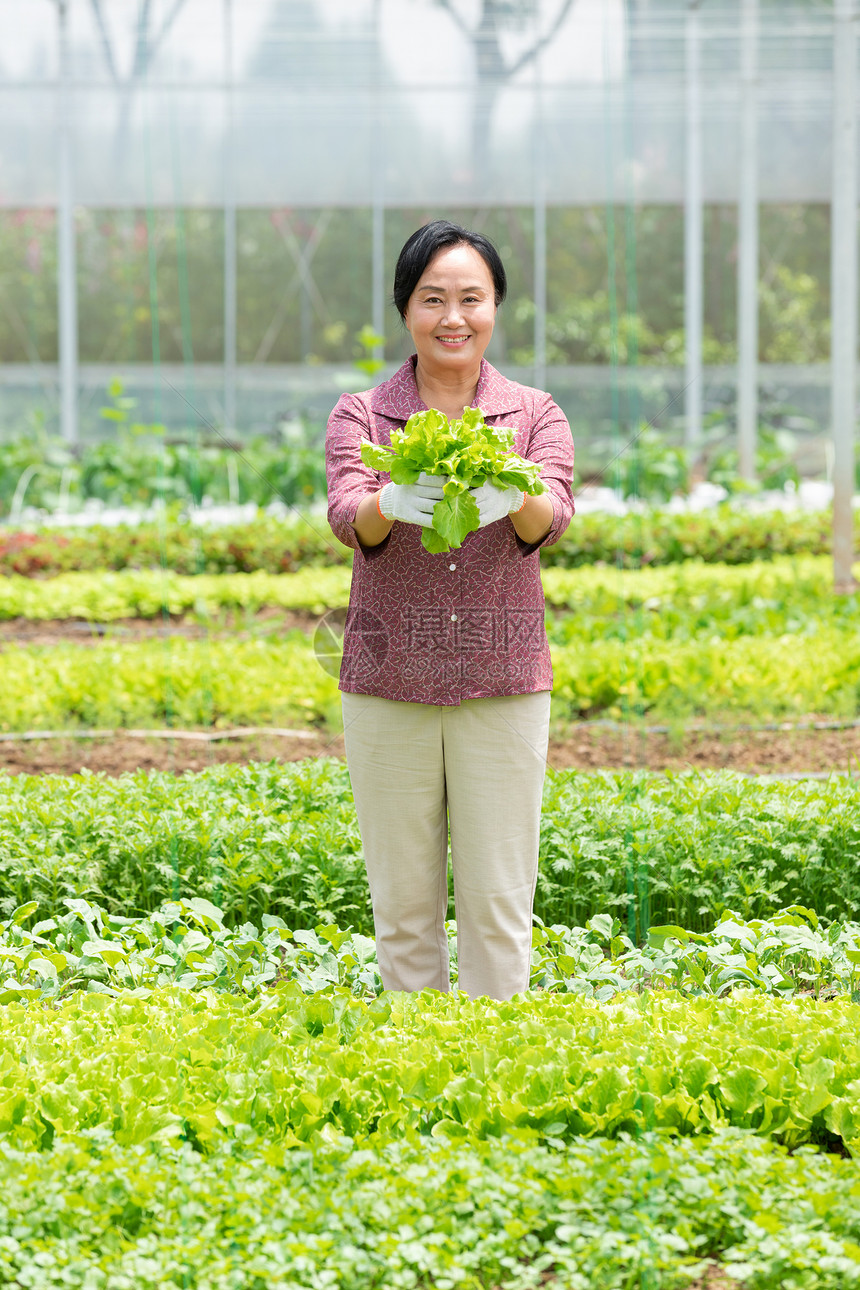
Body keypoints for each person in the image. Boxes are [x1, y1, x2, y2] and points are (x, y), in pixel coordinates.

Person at [325, 219, 574, 1001]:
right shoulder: (361, 413)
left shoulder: (534, 414)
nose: (453, 317)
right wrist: (390, 501)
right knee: (402, 908)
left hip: (503, 681)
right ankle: (417, 1068)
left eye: (472, 298)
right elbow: (346, 513)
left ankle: (493, 1077)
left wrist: (518, 492)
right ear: (406, 309)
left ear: (496, 307)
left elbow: (555, 516)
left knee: (500, 905)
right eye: (434, 299)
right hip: (388, 680)